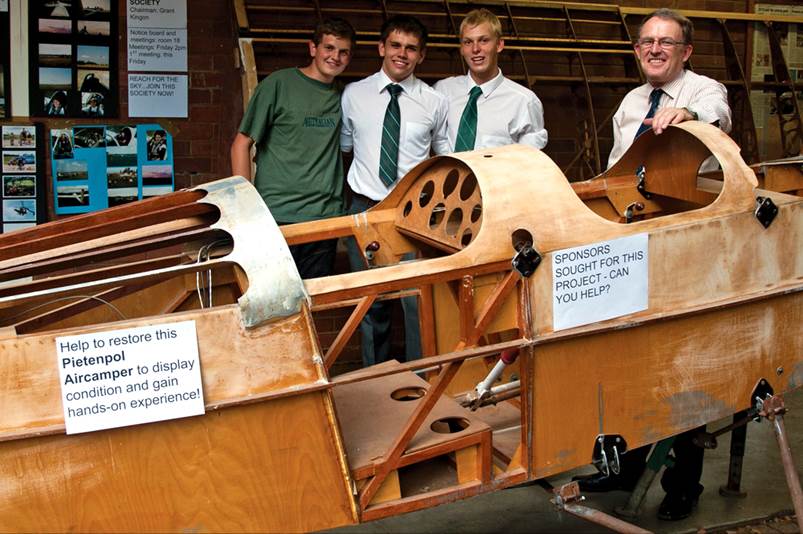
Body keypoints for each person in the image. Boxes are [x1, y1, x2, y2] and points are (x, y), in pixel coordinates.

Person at [575, 9, 732, 522]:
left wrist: (688, 119)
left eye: (666, 42)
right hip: (633, 251)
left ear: (686, 51)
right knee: (625, 363)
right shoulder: (631, 103)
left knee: (683, 367)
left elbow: (717, 119)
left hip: (687, 254)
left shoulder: (704, 92)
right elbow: (617, 174)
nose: (655, 49)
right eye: (646, 42)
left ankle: (683, 484)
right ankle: (621, 466)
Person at [340, 15, 449, 368]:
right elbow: (346, 149)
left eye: (411, 48)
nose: (402, 54)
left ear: (421, 56)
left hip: (413, 211)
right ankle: (377, 377)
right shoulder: (354, 94)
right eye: (396, 45)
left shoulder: (434, 102)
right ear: (382, 47)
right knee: (372, 302)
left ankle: (422, 379)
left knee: (416, 301)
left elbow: (442, 156)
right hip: (365, 209)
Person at [231, 17, 355, 279]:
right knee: (275, 303)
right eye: (329, 48)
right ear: (313, 48)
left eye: (343, 52)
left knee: (312, 302)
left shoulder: (345, 96)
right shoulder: (278, 84)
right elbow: (241, 145)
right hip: (277, 215)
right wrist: (243, 207)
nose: (336, 57)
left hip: (324, 216)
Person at [434, 8, 547, 152]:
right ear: (462, 48)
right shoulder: (443, 90)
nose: (475, 49)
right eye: (468, 42)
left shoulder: (524, 101)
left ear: (499, 45)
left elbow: (528, 161)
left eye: (484, 40)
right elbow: (437, 138)